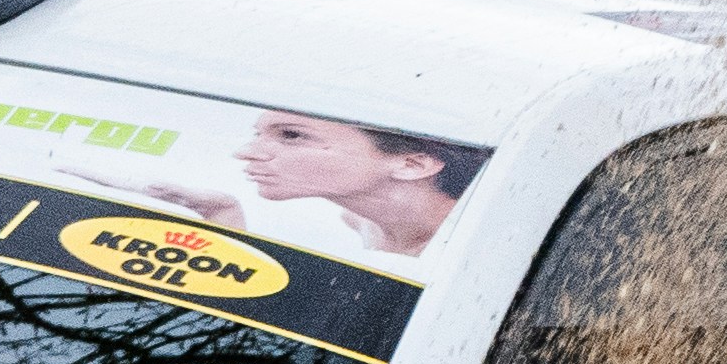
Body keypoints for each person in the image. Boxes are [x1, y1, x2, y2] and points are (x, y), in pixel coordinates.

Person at [126, 111, 489, 261]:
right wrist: (224, 220)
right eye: (259, 135)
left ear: (412, 164)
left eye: (292, 136)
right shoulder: (360, 221)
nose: (246, 153)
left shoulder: (468, 251)